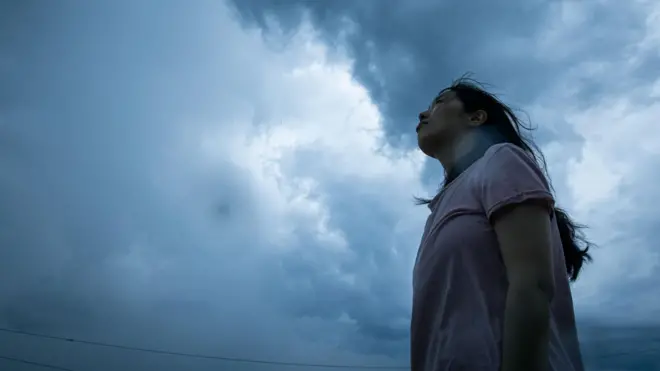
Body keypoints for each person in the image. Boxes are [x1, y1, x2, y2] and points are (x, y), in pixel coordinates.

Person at [410, 77, 593, 371]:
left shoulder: (501, 160)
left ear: (476, 117)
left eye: (440, 102)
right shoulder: (438, 209)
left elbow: (532, 284)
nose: (423, 113)